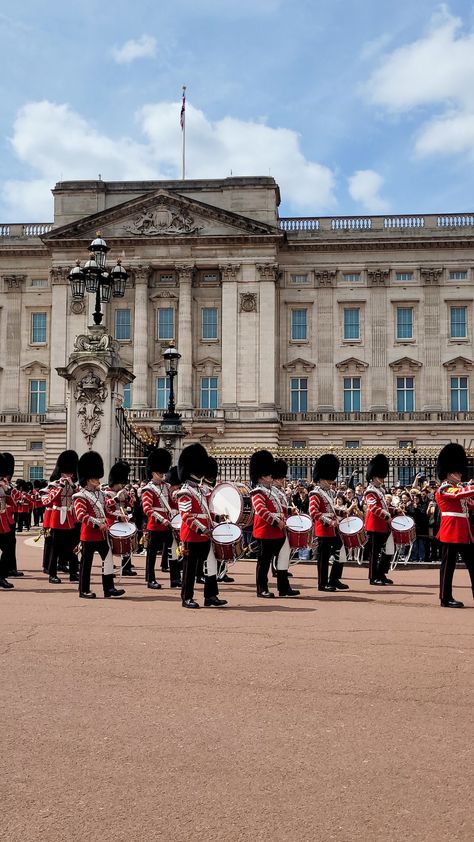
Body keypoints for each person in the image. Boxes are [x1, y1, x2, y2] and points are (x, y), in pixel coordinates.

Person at [176, 443, 227, 609]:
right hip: (192, 535)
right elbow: (186, 516)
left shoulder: (200, 490)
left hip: (205, 534)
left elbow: (206, 513)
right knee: (190, 568)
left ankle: (210, 595)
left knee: (210, 564)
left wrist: (218, 517)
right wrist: (201, 529)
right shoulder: (185, 492)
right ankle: (186, 598)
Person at [73, 451, 125, 599]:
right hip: (89, 534)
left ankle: (109, 588)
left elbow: (106, 511)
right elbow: (81, 515)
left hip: (102, 534)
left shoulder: (100, 494)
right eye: (94, 478)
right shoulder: (80, 496)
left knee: (108, 559)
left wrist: (119, 516)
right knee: (86, 563)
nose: (97, 480)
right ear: (88, 479)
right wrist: (97, 525)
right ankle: (84, 590)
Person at [249, 450, 298, 598]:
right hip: (266, 530)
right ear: (262, 476)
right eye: (269, 474)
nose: (272, 477)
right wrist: (276, 522)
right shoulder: (258, 492)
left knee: (283, 557)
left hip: (278, 530)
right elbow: (262, 511)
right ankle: (261, 588)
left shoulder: (271, 492)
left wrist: (290, 511)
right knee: (264, 562)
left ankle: (284, 587)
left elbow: (279, 508)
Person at [435, 443, 474, 608]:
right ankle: (445, 597)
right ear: (448, 473)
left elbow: (470, 503)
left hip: (464, 532)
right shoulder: (444, 489)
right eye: (456, 471)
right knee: (448, 567)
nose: (459, 474)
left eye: (460, 471)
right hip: (451, 531)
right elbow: (459, 494)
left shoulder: (459, 488)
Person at [141, 448, 181, 589]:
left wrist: (177, 500)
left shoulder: (166, 487)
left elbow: (172, 504)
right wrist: (161, 519)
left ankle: (175, 578)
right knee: (151, 554)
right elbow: (147, 509)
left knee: (173, 550)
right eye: (159, 473)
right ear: (153, 473)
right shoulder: (148, 489)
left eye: (163, 472)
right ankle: (150, 579)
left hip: (167, 524)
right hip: (155, 525)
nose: (162, 475)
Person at [309, 454, 348, 591]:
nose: (330, 481)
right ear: (320, 479)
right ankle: (322, 583)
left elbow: (332, 509)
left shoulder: (330, 493)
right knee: (323, 558)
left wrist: (342, 513)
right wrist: (329, 521)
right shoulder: (315, 494)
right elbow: (313, 512)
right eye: (327, 479)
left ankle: (334, 579)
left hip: (333, 529)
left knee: (341, 552)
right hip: (324, 529)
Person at [43, 450, 80, 585]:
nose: (68, 475)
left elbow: (79, 496)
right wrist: (60, 487)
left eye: (70, 473)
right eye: (66, 473)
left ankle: (73, 573)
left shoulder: (73, 486)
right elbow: (47, 501)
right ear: (61, 472)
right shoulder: (53, 485)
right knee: (55, 548)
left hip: (69, 519)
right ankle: (52, 574)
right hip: (57, 518)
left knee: (72, 548)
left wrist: (73, 485)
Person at [364, 454, 394, 586]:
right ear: (373, 477)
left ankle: (381, 573)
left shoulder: (380, 490)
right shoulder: (370, 491)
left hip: (383, 526)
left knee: (387, 550)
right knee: (374, 553)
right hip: (375, 526)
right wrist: (386, 516)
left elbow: (384, 506)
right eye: (380, 476)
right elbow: (373, 508)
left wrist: (394, 510)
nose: (382, 479)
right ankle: (373, 576)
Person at [103, 460, 137, 577]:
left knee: (127, 544)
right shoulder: (107, 493)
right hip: (112, 521)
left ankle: (126, 568)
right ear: (114, 482)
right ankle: (109, 568)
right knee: (109, 547)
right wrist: (117, 498)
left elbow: (131, 505)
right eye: (120, 483)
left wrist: (129, 497)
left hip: (123, 519)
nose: (122, 486)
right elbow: (106, 506)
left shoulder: (123, 491)